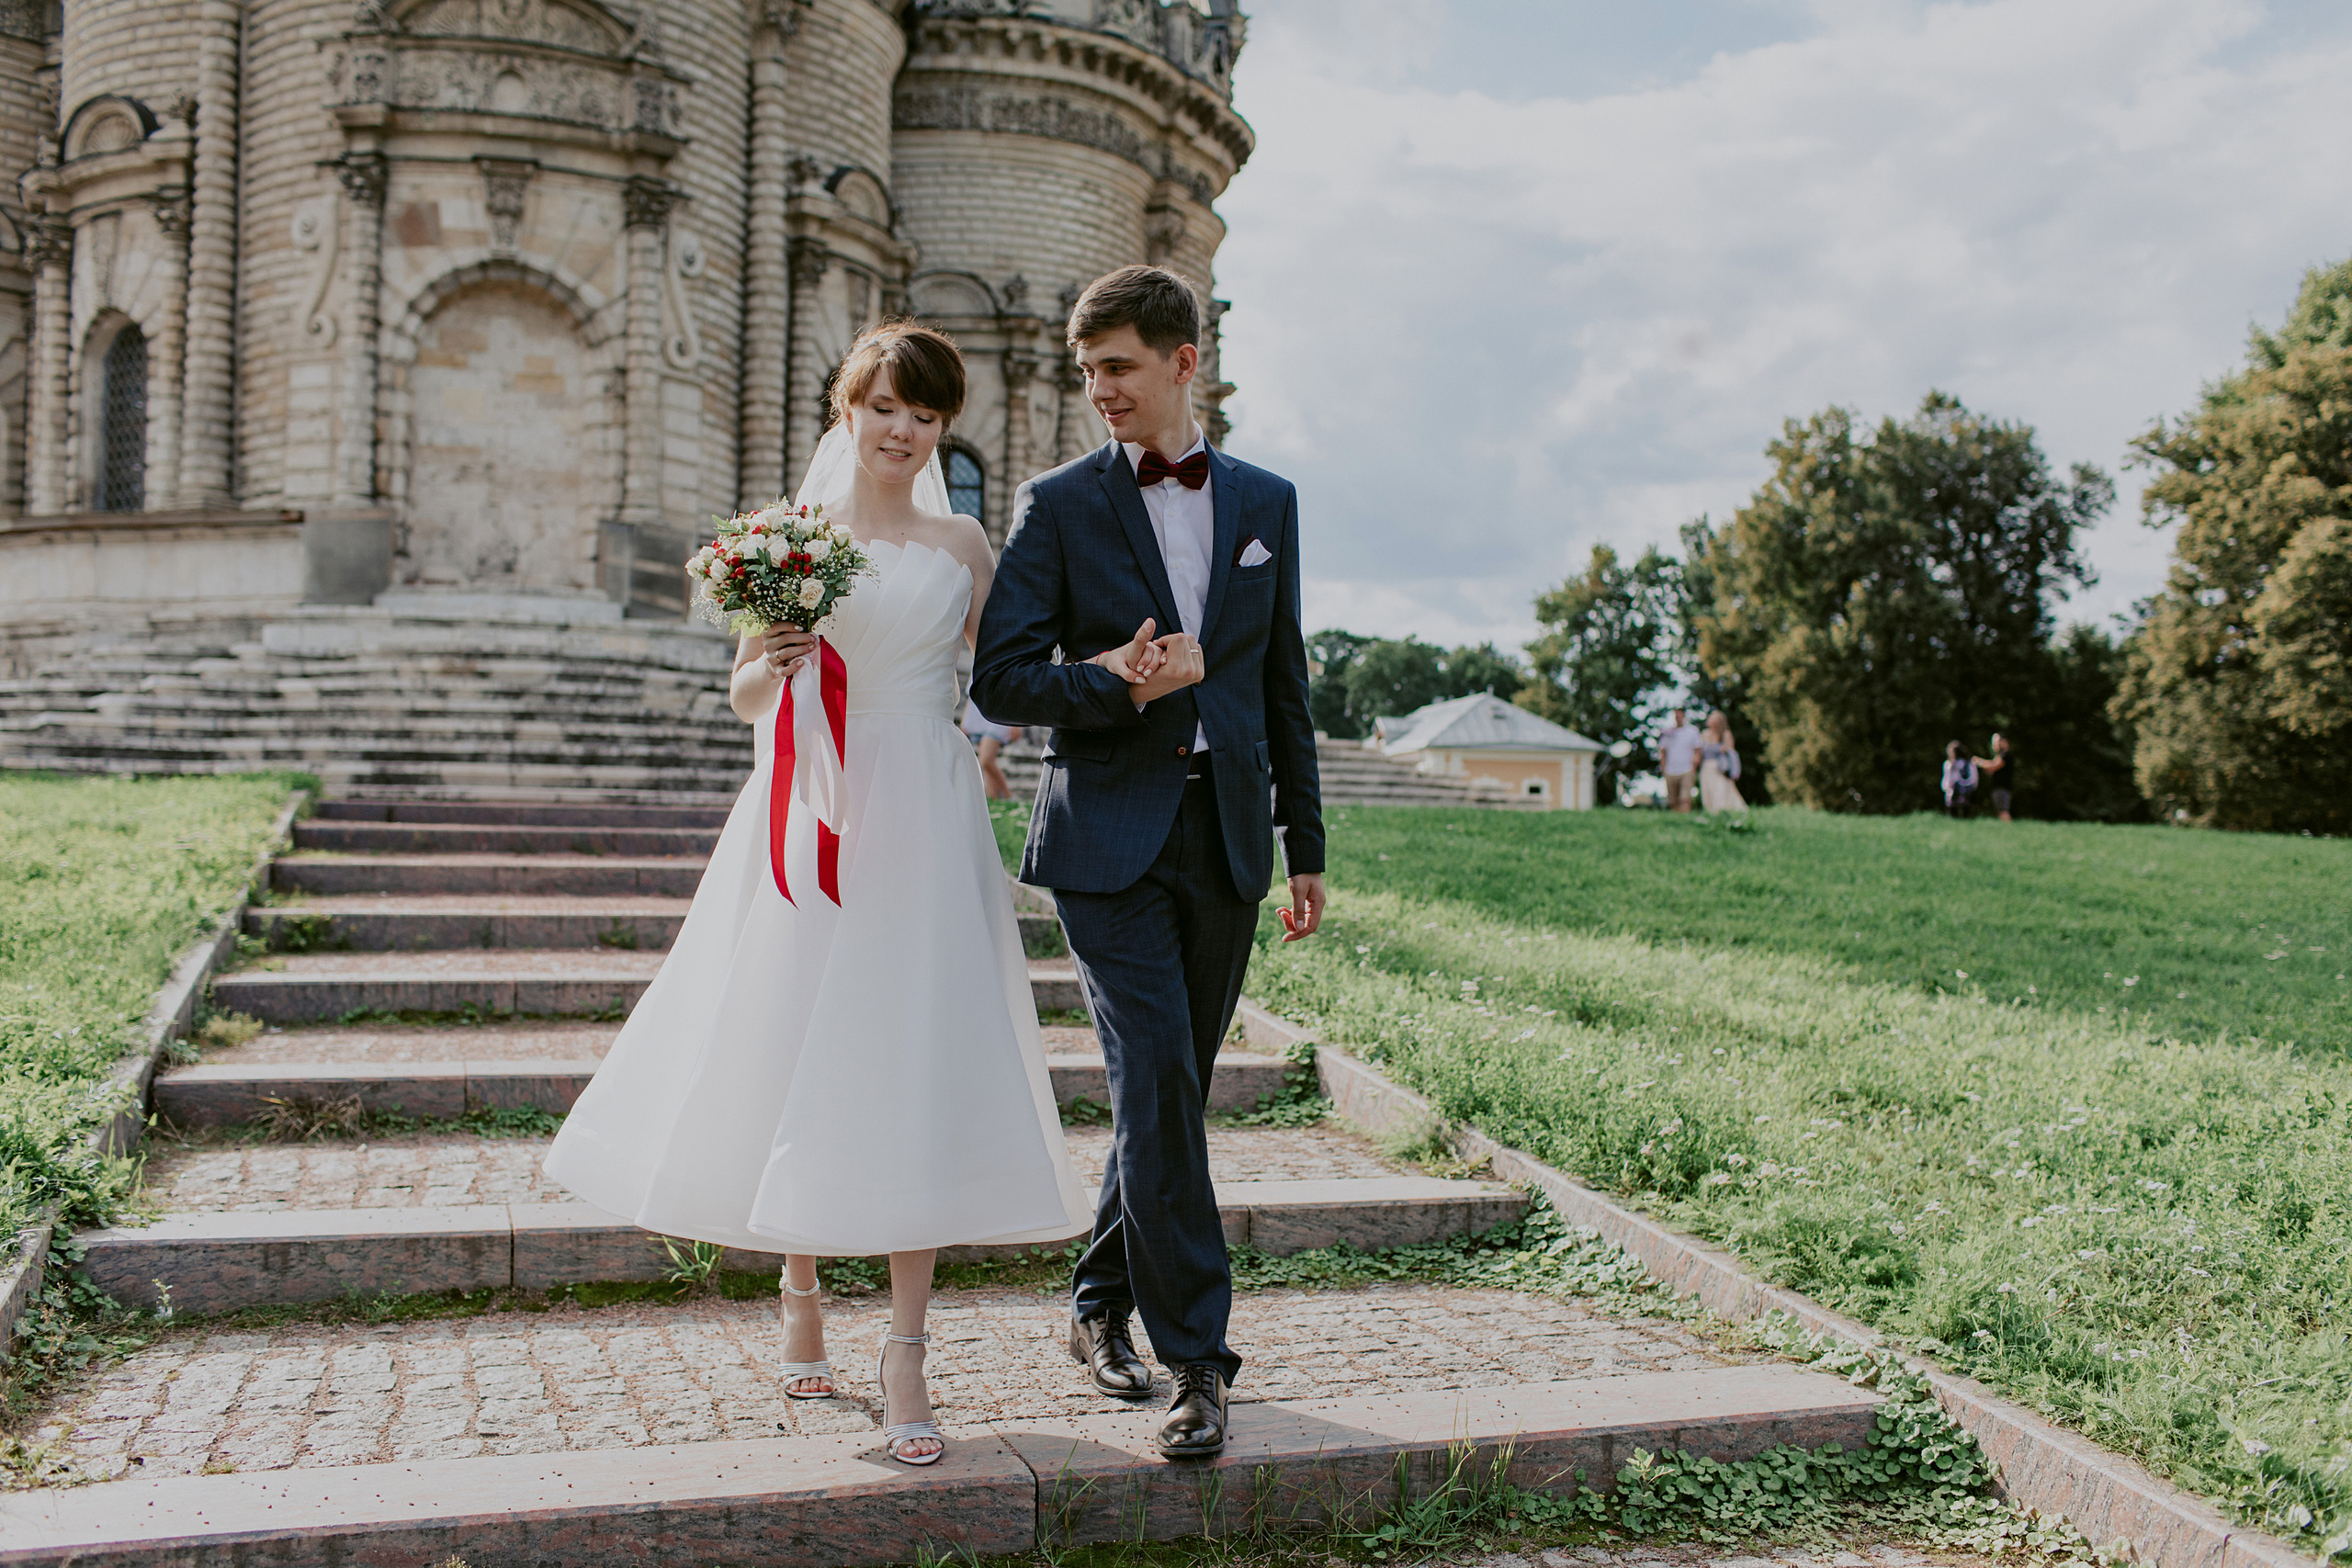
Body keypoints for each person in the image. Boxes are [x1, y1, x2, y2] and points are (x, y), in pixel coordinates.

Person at [542, 323, 1090, 1469]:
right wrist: (774, 657)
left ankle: (904, 1348)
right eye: (884, 406)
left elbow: (997, 685)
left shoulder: (962, 541)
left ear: (940, 429)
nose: (903, 430)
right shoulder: (791, 542)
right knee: (795, 1034)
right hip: (811, 805)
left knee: (910, 1055)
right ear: (847, 410)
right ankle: (797, 1288)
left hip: (925, 812)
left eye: (925, 415)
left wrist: (1014, 726)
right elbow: (746, 698)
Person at [971, 265, 1326, 1462]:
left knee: (1164, 1085)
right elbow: (1002, 676)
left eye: (1119, 366)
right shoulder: (1059, 502)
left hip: (1226, 837)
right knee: (1163, 1078)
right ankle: (1200, 1362)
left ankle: (1094, 1300)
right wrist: (1115, 682)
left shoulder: (1269, 499)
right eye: (1087, 372)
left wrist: (1306, 845)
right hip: (1105, 841)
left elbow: (1283, 685)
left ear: (1184, 361)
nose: (1100, 392)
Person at [963, 700, 1024, 800]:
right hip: (977, 718)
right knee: (986, 766)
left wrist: (1016, 723)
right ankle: (993, 799)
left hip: (997, 717)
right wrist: (965, 721)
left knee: (986, 760)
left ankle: (1008, 795)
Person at [1698, 711, 1747, 813]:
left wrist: (1734, 772)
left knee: (1721, 789)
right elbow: (1700, 753)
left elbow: (1732, 755)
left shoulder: (1726, 735)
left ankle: (1725, 810)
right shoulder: (1704, 734)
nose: (1709, 719)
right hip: (1706, 768)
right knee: (1707, 790)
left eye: (1712, 717)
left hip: (1720, 768)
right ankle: (1711, 812)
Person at [1657, 707, 1702, 812]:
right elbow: (1663, 753)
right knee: (1673, 800)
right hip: (1670, 770)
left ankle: (1685, 819)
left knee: (1685, 798)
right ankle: (1677, 822)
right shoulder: (1667, 734)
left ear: (1684, 715)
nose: (1677, 717)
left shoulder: (1692, 731)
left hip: (1687, 769)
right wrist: (1664, 769)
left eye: (1680, 714)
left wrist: (1694, 767)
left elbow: (1698, 751)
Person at [1973, 732, 2018, 822]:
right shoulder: (2000, 756)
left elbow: (1994, 765)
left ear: (2004, 741)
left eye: (1996, 742)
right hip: (1998, 788)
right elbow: (1991, 770)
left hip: (2003, 787)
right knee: (2001, 811)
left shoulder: (2006, 755)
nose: (1994, 745)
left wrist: (1979, 762)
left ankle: (2010, 831)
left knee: (2003, 811)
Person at [1941, 739, 1978, 818]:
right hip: (1964, 793)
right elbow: (1974, 779)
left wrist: (1947, 787)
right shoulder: (1969, 763)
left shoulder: (1950, 764)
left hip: (1954, 794)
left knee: (1954, 814)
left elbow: (1947, 780)